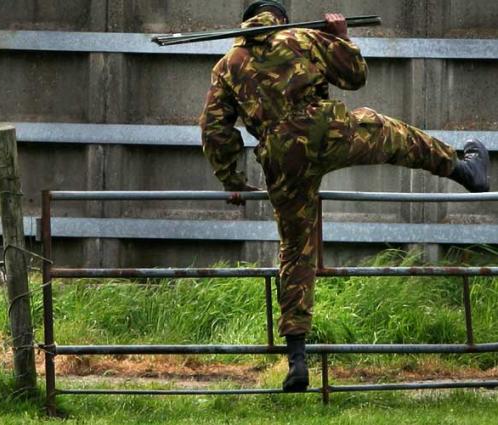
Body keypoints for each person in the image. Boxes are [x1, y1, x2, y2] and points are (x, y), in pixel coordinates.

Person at [200, 0, 490, 392]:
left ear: (247, 21)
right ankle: (463, 169)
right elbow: (355, 77)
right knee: (393, 135)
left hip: (282, 156)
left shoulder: (226, 65)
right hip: (326, 130)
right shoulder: (302, 36)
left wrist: (232, 180)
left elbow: (216, 131)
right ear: (280, 17)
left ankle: (297, 359)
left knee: (295, 249)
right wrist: (342, 38)